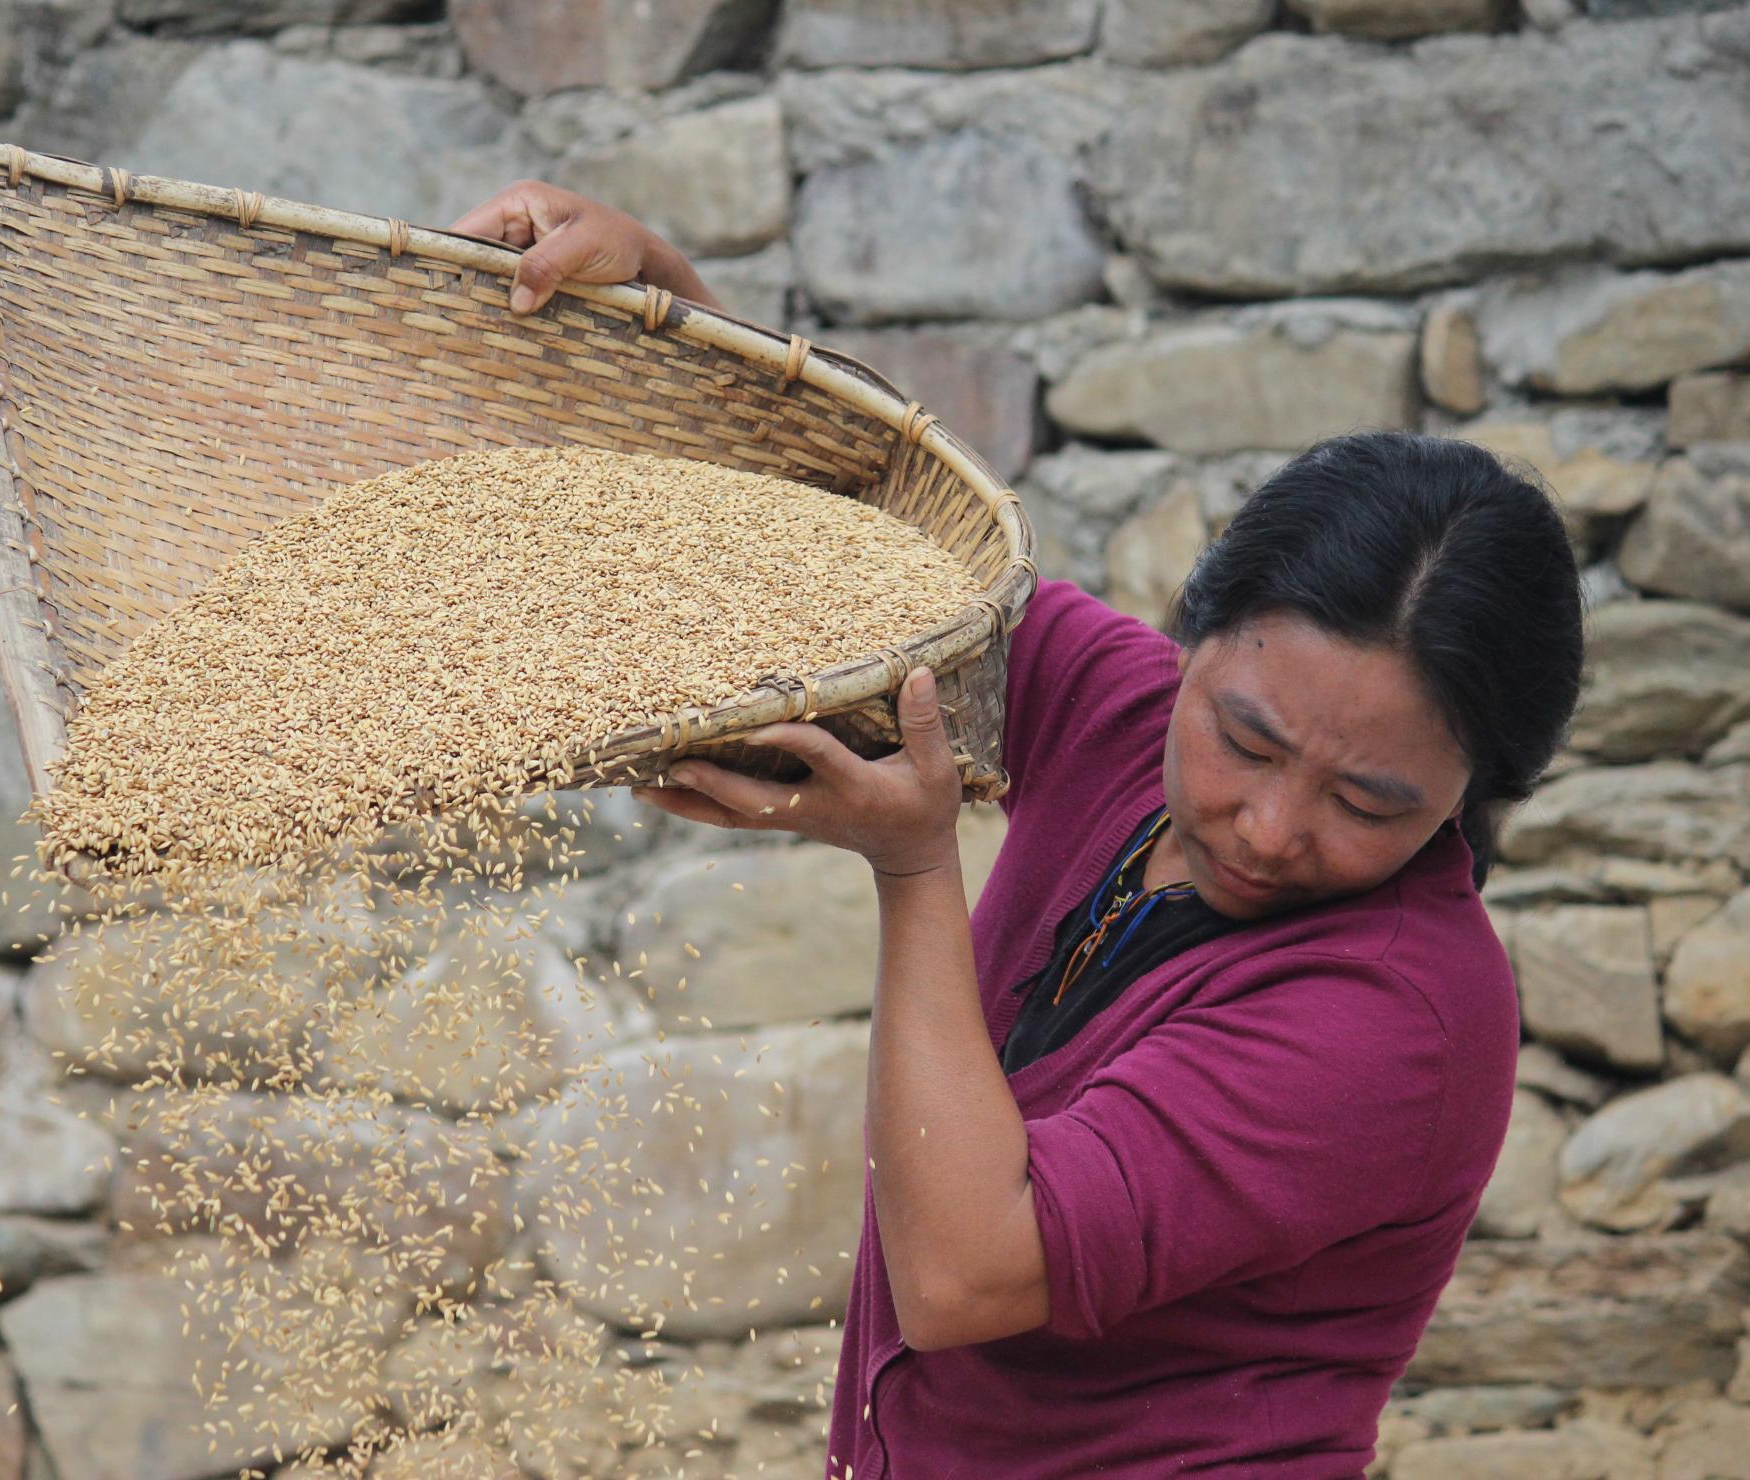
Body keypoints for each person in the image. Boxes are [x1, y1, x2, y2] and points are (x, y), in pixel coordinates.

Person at [451, 182, 1586, 1476]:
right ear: (1192, 638)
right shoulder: (1121, 713)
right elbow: (840, 552)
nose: (1270, 827)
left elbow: (966, 1275)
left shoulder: (1400, 1016)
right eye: (1247, 740)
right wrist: (657, 286)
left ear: (1469, 796)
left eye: (1368, 802)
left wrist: (915, 864)